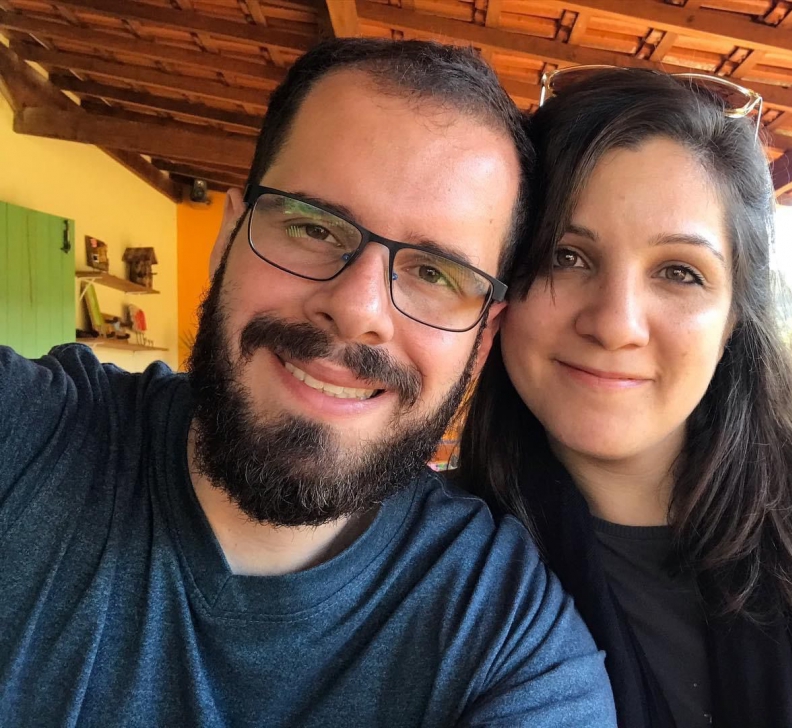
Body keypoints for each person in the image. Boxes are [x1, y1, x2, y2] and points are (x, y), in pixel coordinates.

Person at [0, 40, 618, 726]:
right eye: (313, 227)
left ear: (483, 340)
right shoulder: (29, 436)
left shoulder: (507, 640)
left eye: (434, 273)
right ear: (226, 239)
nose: (357, 309)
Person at [457, 67, 792, 728]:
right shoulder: (441, 563)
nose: (615, 323)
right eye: (566, 256)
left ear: (733, 318)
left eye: (680, 272)